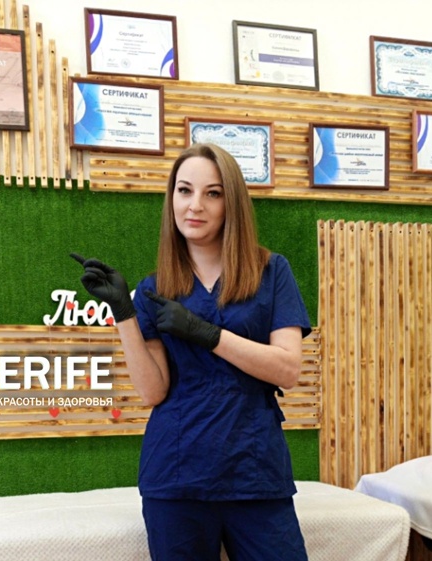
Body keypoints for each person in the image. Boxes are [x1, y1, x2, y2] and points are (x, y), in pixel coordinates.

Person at [71, 143, 311, 561]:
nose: (195, 205)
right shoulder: (156, 288)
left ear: (231, 203)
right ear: (172, 199)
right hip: (176, 474)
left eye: (212, 193)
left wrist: (207, 334)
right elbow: (153, 391)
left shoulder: (271, 271)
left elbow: (287, 370)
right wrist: (124, 313)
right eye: (184, 191)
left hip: (255, 471)